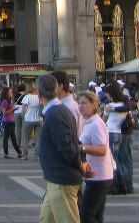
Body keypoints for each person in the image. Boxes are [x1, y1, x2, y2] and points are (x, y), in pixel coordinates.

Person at [36, 74, 82, 223]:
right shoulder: (56, 111)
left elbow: (67, 147)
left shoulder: (55, 113)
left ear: (39, 93)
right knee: (46, 219)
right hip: (55, 179)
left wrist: (80, 165)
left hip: (61, 179)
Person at [79, 91, 113, 223]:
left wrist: (81, 148)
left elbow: (102, 150)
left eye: (84, 103)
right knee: (96, 215)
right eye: (79, 103)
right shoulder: (88, 122)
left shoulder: (96, 124)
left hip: (100, 175)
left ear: (94, 105)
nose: (81, 106)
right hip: (96, 174)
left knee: (87, 215)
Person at [103, 81, 132, 196]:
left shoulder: (109, 106)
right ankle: (123, 184)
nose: (107, 96)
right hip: (119, 133)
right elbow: (127, 108)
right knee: (118, 160)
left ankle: (116, 186)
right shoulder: (123, 105)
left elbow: (103, 120)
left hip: (110, 132)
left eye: (108, 94)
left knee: (112, 161)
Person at [0, 87, 22, 158]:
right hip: (7, 122)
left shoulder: (9, 100)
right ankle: (7, 153)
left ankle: (19, 152)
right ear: (6, 93)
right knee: (7, 138)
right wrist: (13, 109)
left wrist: (13, 109)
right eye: (10, 92)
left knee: (13, 138)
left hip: (11, 121)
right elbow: (4, 113)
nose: (11, 93)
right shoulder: (5, 101)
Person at [21, 82, 42, 160]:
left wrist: (23, 117)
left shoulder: (27, 97)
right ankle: (37, 155)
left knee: (25, 138)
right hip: (39, 119)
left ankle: (25, 155)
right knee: (38, 139)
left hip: (28, 119)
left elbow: (23, 109)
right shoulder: (40, 97)